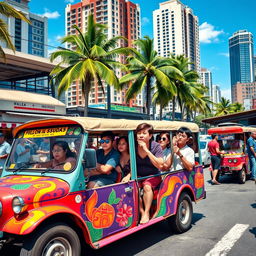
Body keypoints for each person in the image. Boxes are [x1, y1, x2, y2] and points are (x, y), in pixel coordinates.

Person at [135, 123, 163, 224]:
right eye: (139, 133)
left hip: (153, 175)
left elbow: (160, 165)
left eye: (144, 133)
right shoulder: (133, 145)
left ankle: (147, 213)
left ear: (150, 135)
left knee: (147, 186)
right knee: (132, 187)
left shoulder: (156, 146)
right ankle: (141, 212)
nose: (141, 135)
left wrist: (146, 150)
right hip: (138, 176)